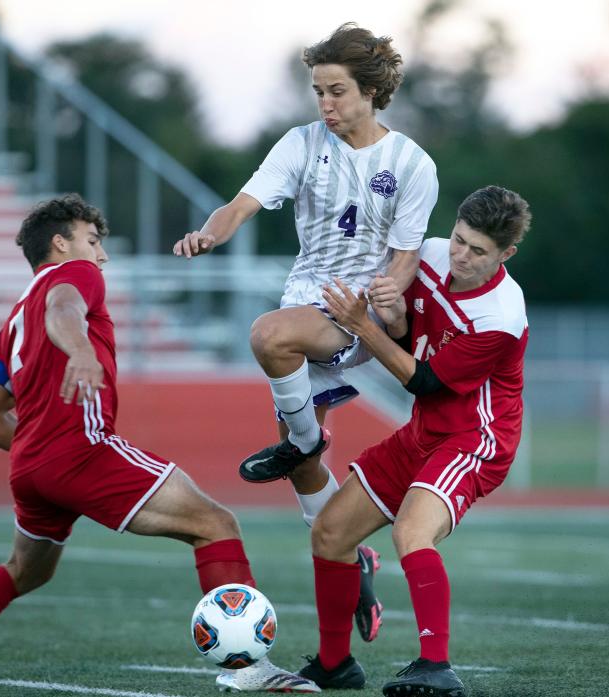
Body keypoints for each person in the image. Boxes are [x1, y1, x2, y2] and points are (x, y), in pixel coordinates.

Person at [0, 194, 320, 693]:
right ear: (61, 245)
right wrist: (81, 350)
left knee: (25, 571)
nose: (101, 255)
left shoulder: (13, 321)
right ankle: (250, 670)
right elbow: (65, 308)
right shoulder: (76, 276)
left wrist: (43, 453)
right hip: (82, 449)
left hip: (30, 466)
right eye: (92, 241)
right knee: (216, 524)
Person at [172, 23, 438, 652]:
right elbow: (239, 204)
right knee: (307, 472)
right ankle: (356, 569)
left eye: (337, 91)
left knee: (268, 337)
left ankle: (302, 437)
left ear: (371, 91)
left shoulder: (410, 164)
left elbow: (404, 259)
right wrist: (211, 233)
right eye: (317, 91)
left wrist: (378, 305)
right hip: (307, 301)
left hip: (357, 316)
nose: (325, 104)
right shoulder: (301, 144)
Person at [294, 186, 531, 697]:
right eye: (461, 240)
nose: (461, 257)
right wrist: (393, 319)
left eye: (479, 251)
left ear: (506, 255)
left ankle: (436, 667)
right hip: (425, 431)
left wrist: (362, 325)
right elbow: (406, 338)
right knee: (331, 534)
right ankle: (336, 665)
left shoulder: (502, 316)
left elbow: (421, 379)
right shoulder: (426, 254)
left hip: (475, 439)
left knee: (411, 533)